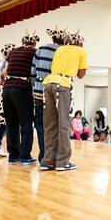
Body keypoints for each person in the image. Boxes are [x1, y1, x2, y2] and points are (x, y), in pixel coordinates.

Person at [41, 31, 88, 171]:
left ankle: (48, 160)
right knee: (64, 124)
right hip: (63, 86)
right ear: (80, 42)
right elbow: (81, 74)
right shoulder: (81, 51)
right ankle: (63, 162)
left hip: (48, 84)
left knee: (50, 124)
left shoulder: (60, 49)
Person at [3, 32, 39, 164]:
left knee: (12, 123)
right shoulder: (34, 52)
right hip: (22, 88)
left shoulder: (13, 52)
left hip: (7, 88)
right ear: (34, 43)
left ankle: (13, 156)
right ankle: (25, 156)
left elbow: (5, 72)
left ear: (23, 42)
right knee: (26, 123)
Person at [31, 28, 67, 163]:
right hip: (57, 92)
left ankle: (44, 157)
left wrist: (36, 87)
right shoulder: (63, 51)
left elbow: (33, 72)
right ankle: (56, 156)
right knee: (59, 126)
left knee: (42, 126)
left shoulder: (40, 49)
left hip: (40, 93)